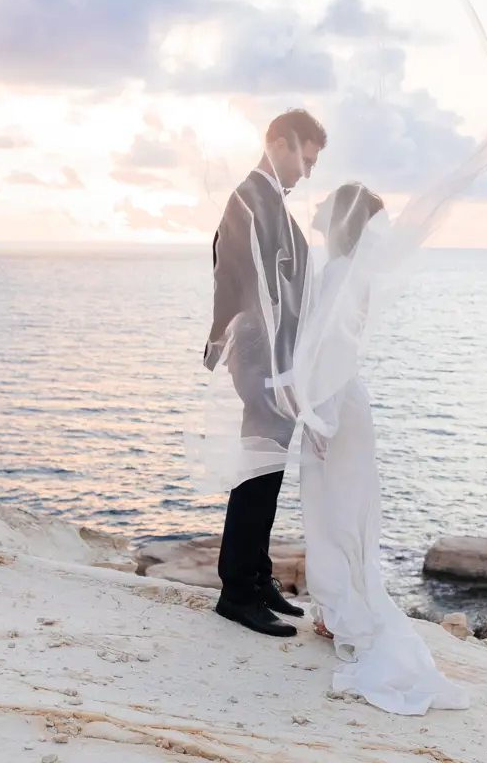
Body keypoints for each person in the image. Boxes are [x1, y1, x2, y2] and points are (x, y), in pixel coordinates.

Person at [295, 182, 470, 715]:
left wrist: (319, 419)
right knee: (338, 515)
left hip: (333, 406)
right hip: (338, 404)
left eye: (327, 205)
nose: (318, 209)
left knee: (336, 516)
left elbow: (334, 351)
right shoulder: (349, 272)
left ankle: (345, 615)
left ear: (342, 219)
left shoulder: (341, 275)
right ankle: (337, 612)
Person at [203, 109, 327, 638]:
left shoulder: (267, 200)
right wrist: (280, 368)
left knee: (267, 470)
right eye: (304, 157)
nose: (306, 171)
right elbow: (247, 285)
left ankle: (257, 576)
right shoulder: (249, 201)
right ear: (278, 142)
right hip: (262, 356)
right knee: (257, 472)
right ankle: (236, 590)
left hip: (274, 355)